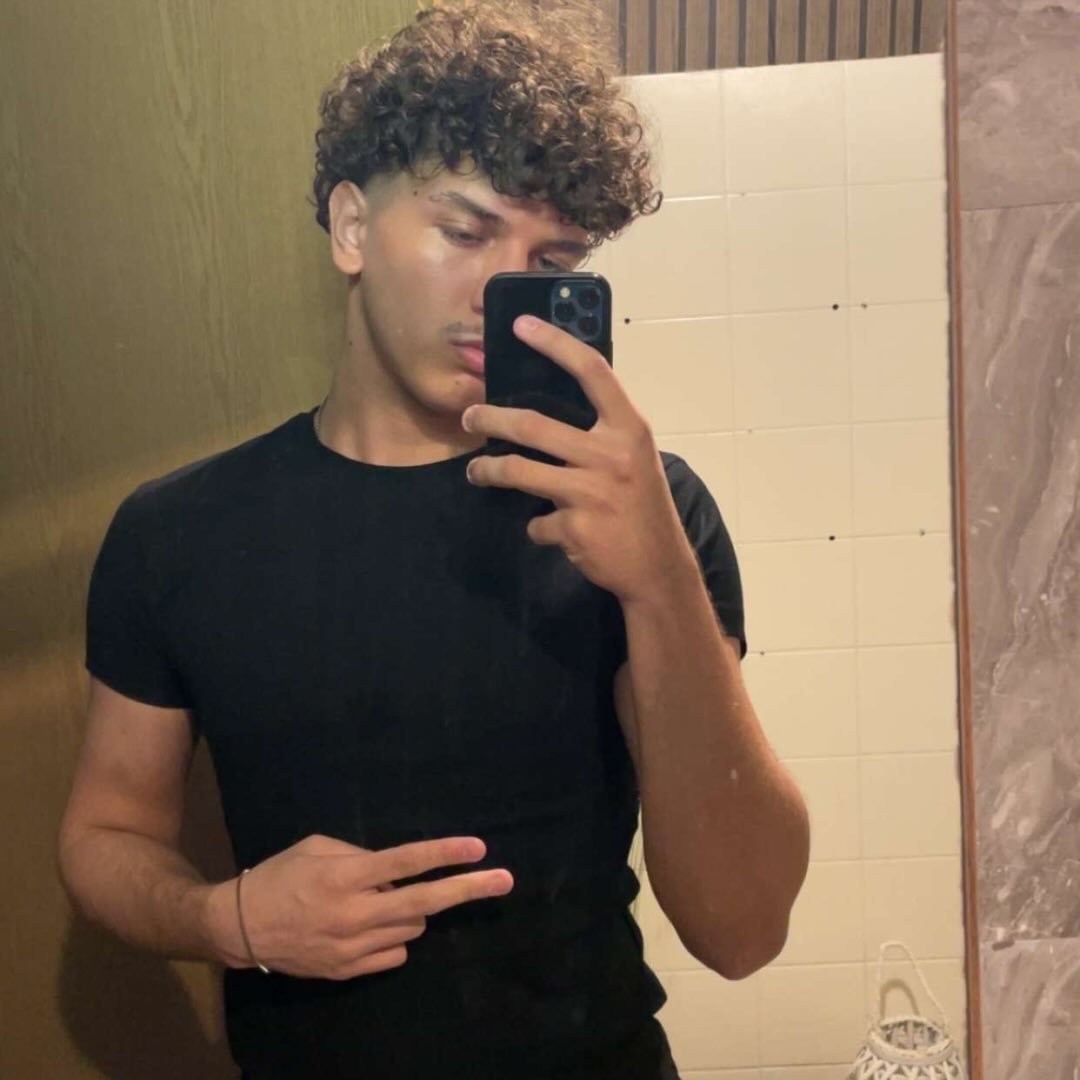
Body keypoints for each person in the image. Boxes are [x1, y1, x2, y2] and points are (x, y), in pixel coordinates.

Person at [57, 2, 810, 1077]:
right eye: (464, 232)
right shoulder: (175, 534)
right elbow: (104, 835)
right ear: (352, 228)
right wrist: (229, 920)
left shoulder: (643, 516)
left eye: (549, 257)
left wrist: (660, 584)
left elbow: (745, 930)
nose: (498, 292)